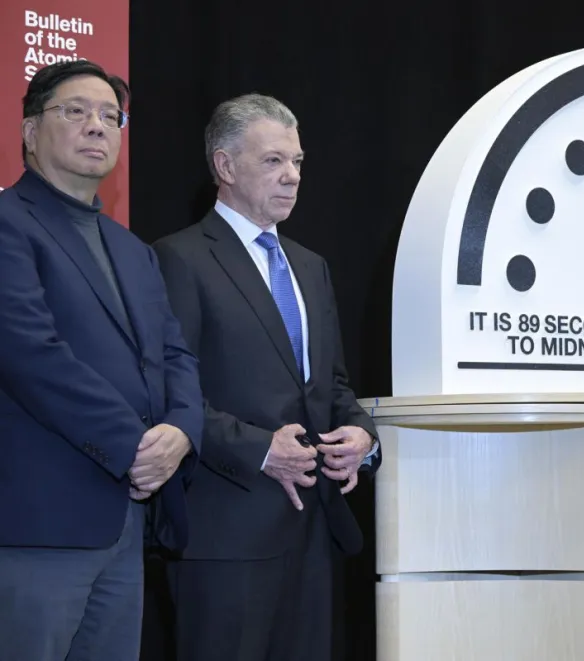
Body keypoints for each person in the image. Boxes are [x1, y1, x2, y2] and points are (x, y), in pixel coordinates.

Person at [152, 93, 381, 661]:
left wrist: (361, 436)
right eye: (273, 161)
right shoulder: (178, 259)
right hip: (226, 536)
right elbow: (167, 394)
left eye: (298, 162)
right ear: (225, 167)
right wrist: (259, 449)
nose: (292, 176)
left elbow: (333, 385)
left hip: (313, 535)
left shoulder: (310, 266)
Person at [0, 61, 203, 661]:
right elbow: (30, 355)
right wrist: (136, 445)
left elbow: (175, 354)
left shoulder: (133, 249)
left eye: (111, 117)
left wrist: (183, 431)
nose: (97, 126)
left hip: (125, 524)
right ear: (30, 132)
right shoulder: (8, 223)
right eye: (76, 111)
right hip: (39, 524)